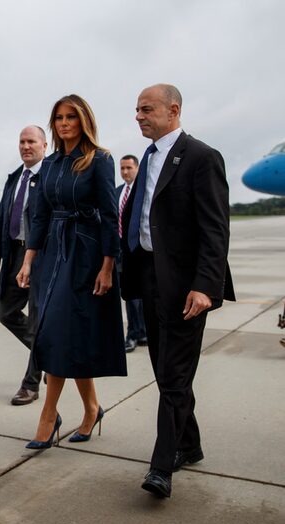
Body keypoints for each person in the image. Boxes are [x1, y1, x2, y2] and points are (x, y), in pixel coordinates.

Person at [121, 84, 234, 499]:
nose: (138, 116)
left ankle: (162, 465)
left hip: (187, 286)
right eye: (136, 110)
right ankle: (190, 443)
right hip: (150, 277)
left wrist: (206, 285)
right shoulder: (148, 159)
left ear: (174, 110)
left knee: (173, 376)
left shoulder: (202, 157)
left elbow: (215, 228)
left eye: (146, 109)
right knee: (165, 371)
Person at [17, 95, 126, 450]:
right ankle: (92, 408)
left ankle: (48, 416)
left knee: (61, 335)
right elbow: (40, 215)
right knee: (63, 335)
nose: (64, 123)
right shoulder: (49, 165)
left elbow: (111, 216)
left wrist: (108, 266)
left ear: (83, 121)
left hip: (86, 255)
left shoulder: (100, 160)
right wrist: (29, 260)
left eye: (71, 118)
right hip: (52, 253)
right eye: (59, 118)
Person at [0, 125, 47, 406]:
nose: (26, 146)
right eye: (22, 141)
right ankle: (47, 355)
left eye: (31, 141)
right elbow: (2, 218)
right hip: (13, 255)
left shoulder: (49, 176)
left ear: (44, 145)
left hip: (40, 258)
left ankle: (30, 384)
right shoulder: (15, 178)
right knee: (7, 313)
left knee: (36, 321)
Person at [117, 155, 148, 352]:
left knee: (137, 297)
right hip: (119, 253)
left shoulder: (143, 190)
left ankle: (134, 334)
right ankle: (140, 333)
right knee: (129, 296)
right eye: (122, 168)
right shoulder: (117, 192)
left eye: (129, 168)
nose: (125, 172)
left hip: (138, 252)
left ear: (137, 168)